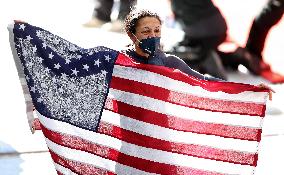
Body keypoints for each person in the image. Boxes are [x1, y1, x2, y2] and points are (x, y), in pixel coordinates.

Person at [122, 7, 274, 99]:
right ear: (131, 34)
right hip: (129, 136)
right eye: (146, 31)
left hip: (159, 134)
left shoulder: (168, 62)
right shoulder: (119, 60)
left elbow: (205, 81)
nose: (153, 36)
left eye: (157, 30)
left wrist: (251, 89)